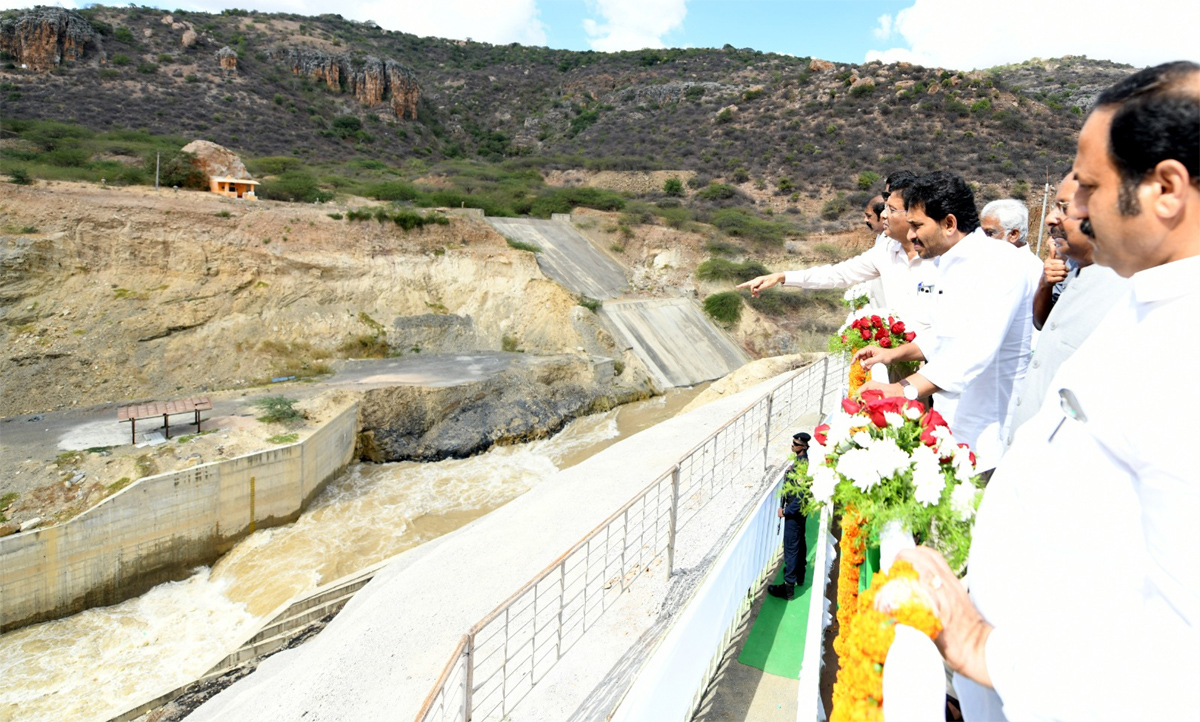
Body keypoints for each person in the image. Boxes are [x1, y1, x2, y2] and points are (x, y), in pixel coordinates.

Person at [897, 61, 1200, 722]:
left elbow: (1184, 663)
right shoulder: (1144, 299)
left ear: (1166, 189)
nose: (1074, 213)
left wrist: (985, 647)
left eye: (1088, 187)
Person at [855, 171, 1036, 466]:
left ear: (949, 223)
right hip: (950, 419)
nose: (910, 235)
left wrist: (902, 390)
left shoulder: (1000, 263)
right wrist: (893, 354)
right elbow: (944, 337)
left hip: (987, 431)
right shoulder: (946, 263)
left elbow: (973, 350)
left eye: (916, 226)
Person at [1005, 172, 1128, 447]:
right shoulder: (1075, 270)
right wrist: (1045, 282)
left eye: (1064, 208)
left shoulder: (1129, 291)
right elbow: (1043, 323)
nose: (1050, 219)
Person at [737, 171, 935, 338]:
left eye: (891, 209)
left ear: (913, 213)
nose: (883, 215)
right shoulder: (885, 250)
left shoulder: (941, 257)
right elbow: (838, 274)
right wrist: (782, 276)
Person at [769, 432, 811, 601]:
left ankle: (788, 588)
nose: (792, 446)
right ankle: (800, 575)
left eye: (795, 444)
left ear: (803, 446)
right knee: (800, 542)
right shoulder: (801, 462)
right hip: (800, 511)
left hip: (794, 512)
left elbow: (800, 496)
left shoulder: (801, 466)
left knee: (791, 548)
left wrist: (785, 511)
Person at [980, 198, 1043, 284]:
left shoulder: (1032, 270)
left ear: (1013, 235)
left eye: (989, 233)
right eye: (981, 232)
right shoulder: (987, 261)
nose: (983, 238)